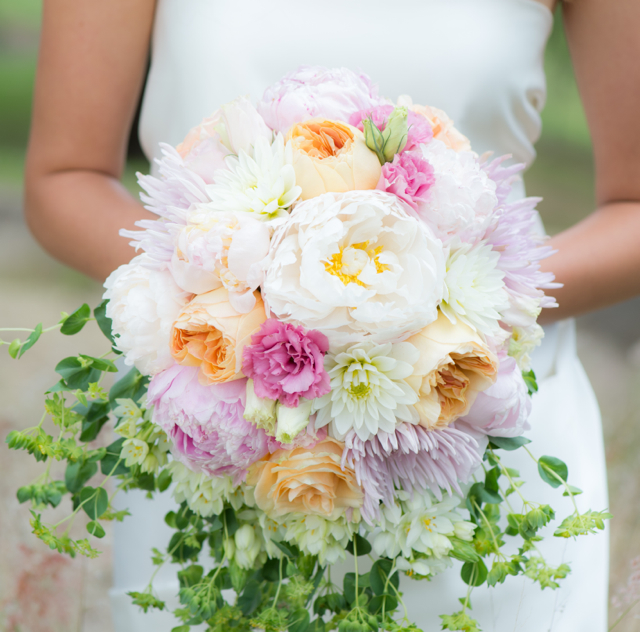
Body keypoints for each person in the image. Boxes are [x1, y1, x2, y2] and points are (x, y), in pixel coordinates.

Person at [24, 0, 639, 630]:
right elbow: (63, 175)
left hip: (477, 411)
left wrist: (452, 312)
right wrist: (242, 308)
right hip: (221, 432)